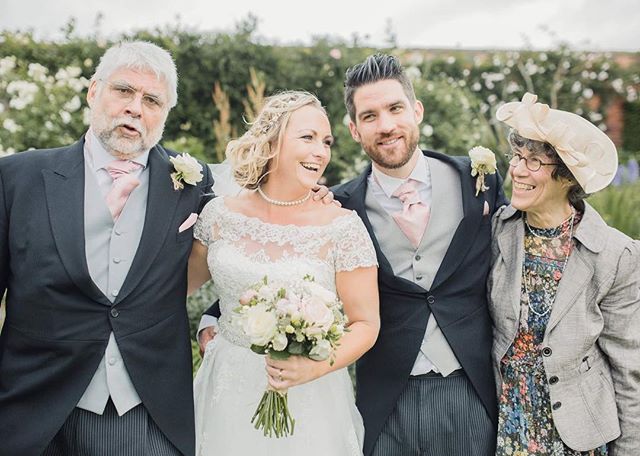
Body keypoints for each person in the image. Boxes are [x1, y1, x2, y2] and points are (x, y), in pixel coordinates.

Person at [0, 41, 214, 456]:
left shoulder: (196, 183)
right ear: (93, 91)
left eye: (152, 100)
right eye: (124, 91)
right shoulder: (16, 178)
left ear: (165, 114)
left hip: (142, 409)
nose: (136, 108)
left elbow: (252, 242)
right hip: (29, 404)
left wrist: (216, 318)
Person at [332, 54, 508, 456]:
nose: (387, 125)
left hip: (471, 388)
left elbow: (518, 251)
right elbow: (292, 261)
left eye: (395, 109)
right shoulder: (339, 205)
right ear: (354, 130)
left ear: (417, 110)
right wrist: (221, 312)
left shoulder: (478, 181)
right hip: (386, 398)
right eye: (370, 116)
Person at [187, 90, 380, 455]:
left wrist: (314, 368)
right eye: (307, 137)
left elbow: (366, 325)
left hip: (309, 394)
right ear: (272, 141)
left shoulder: (341, 227)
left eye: (326, 142)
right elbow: (171, 287)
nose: (321, 151)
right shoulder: (218, 216)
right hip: (225, 387)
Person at [489, 93, 640, 455]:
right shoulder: (497, 230)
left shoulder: (614, 254)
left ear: (567, 177)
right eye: (518, 158)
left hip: (576, 433)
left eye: (535, 162)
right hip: (506, 422)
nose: (519, 171)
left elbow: (628, 366)